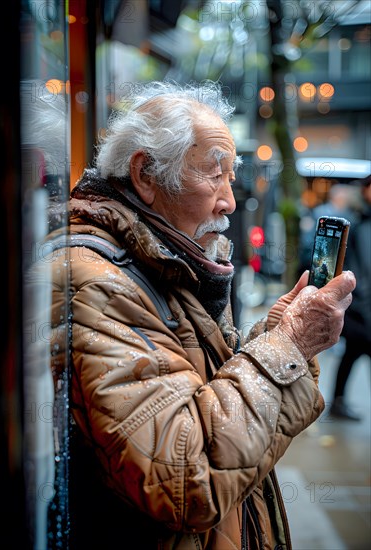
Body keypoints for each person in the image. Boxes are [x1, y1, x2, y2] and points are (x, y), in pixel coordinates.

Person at [46, 80, 355, 549]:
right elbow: (189, 478)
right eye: (214, 175)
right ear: (145, 174)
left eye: (231, 177)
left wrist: (275, 335)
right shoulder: (94, 283)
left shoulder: (155, 261)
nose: (229, 200)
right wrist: (287, 346)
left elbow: (201, 400)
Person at [329, 176, 371, 421]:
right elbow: (356, 266)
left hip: (364, 307)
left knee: (353, 353)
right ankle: (337, 402)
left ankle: (337, 401)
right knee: (354, 351)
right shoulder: (357, 221)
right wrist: (363, 300)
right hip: (361, 306)